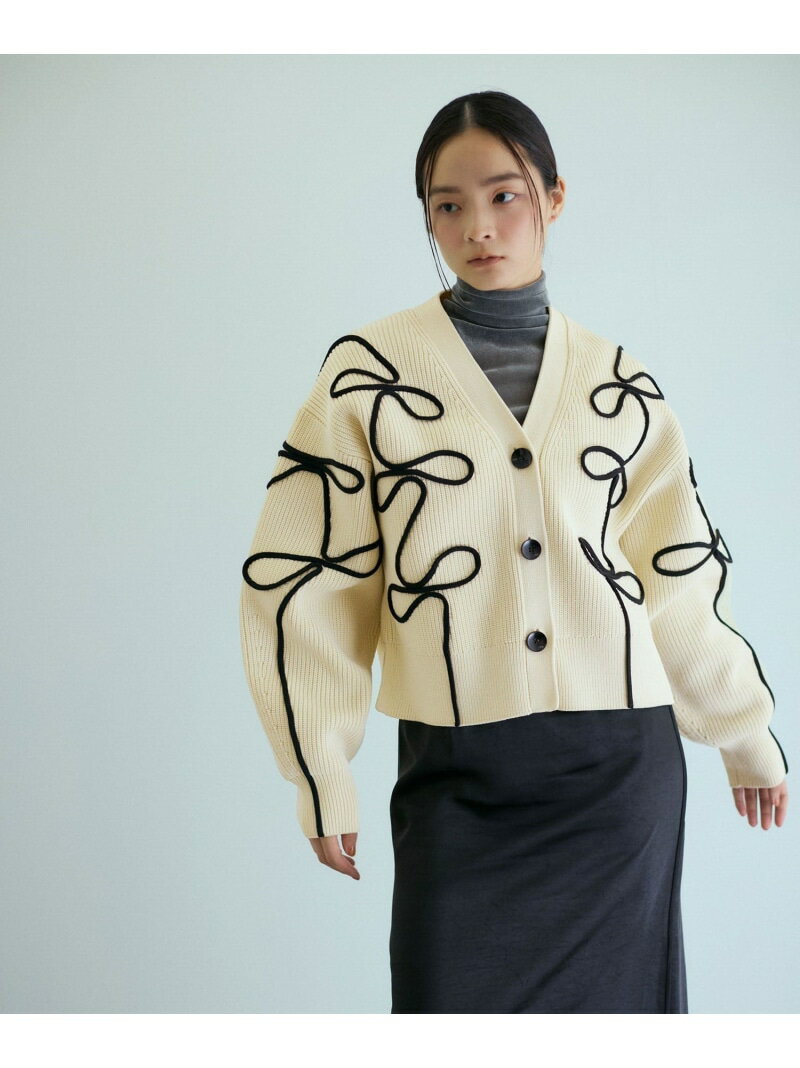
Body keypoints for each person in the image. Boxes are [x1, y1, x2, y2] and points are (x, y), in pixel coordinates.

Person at [239, 90, 789, 1013]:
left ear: (554, 197)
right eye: (448, 205)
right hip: (457, 774)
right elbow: (307, 583)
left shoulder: (621, 384)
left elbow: (679, 576)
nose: (478, 227)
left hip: (618, 774)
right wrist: (320, 774)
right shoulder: (367, 377)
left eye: (504, 196)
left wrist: (743, 732)